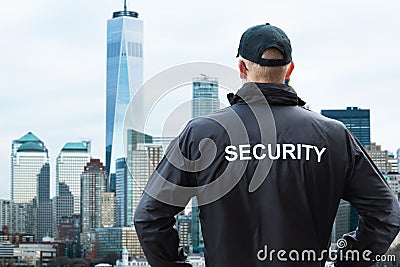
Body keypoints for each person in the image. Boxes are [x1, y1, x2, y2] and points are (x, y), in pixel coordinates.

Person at [134, 23, 400, 266]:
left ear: (241, 68)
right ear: (290, 69)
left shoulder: (201, 133)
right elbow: (386, 214)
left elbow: (150, 217)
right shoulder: (333, 136)